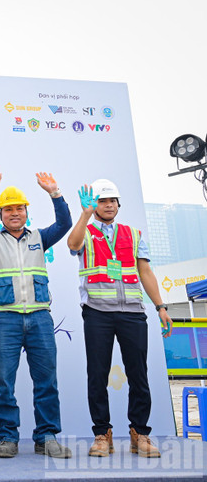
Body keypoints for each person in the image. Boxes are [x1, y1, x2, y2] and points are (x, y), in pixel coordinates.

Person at [0, 167, 73, 459]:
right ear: (0, 214)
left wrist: (55, 193)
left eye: (20, 208)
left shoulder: (40, 237)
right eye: (9, 209)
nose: (15, 213)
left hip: (40, 317)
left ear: (27, 212)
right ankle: (7, 437)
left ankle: (47, 436)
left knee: (46, 380)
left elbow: (64, 223)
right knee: (3, 380)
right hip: (5, 319)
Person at [67, 179, 173, 458]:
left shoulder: (133, 234)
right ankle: (102, 434)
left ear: (119, 204)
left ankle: (140, 433)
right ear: (95, 205)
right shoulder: (86, 232)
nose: (109, 205)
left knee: (139, 374)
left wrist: (160, 306)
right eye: (103, 201)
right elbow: (72, 243)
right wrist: (84, 214)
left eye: (113, 200)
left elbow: (145, 272)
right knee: (97, 374)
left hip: (132, 313)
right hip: (97, 312)